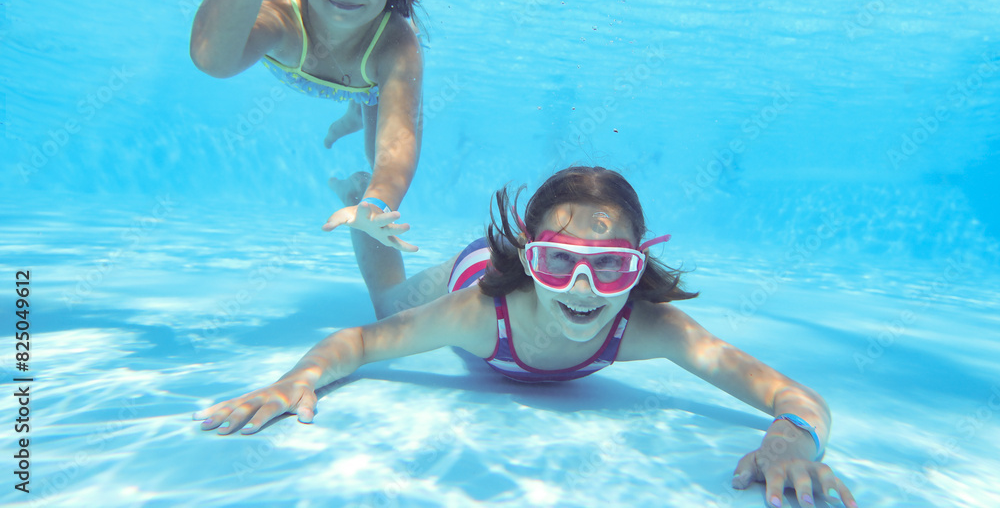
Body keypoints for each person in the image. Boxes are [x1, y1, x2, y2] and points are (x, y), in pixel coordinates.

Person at [194, 167, 858, 508]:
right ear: (530, 258)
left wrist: (785, 440)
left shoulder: (648, 327)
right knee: (389, 302)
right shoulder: (480, 313)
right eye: (558, 261)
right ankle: (367, 220)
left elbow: (795, 396)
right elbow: (363, 342)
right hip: (474, 271)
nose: (583, 288)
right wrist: (296, 380)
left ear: (636, 271)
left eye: (611, 266)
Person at [189, 0, 422, 316]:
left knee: (369, 148)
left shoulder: (394, 42)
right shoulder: (282, 15)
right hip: (340, 62)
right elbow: (211, 58)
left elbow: (396, 148)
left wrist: (376, 204)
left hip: (363, 86)